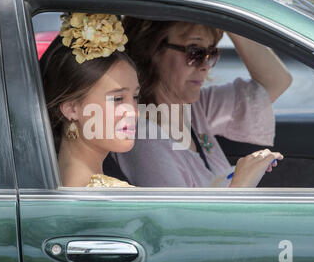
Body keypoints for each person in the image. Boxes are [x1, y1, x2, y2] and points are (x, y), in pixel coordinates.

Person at [108, 18, 292, 188]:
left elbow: (276, 81)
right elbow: (182, 223)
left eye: (211, 53)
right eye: (195, 52)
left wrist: (230, 19)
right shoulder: (143, 139)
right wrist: (241, 185)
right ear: (152, 49)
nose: (205, 65)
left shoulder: (195, 108)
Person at [40, 13, 139, 187]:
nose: (134, 112)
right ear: (71, 109)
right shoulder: (106, 196)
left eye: (135, 97)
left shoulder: (57, 180)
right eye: (117, 99)